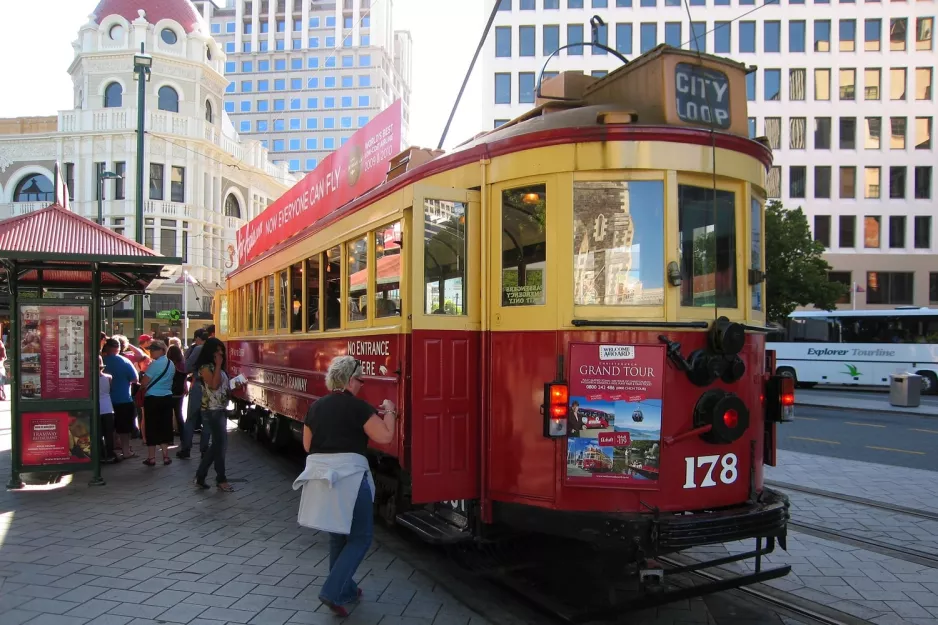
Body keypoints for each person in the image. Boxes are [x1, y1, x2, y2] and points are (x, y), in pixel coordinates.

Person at [296, 356, 397, 617]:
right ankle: (331, 590)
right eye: (361, 380)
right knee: (361, 538)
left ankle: (346, 588)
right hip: (351, 479)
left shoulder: (316, 407)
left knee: (337, 535)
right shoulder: (359, 408)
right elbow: (385, 436)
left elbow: (307, 446)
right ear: (351, 379)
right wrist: (390, 412)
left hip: (322, 480)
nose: (362, 385)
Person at [194, 337, 240, 491]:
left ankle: (201, 475)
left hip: (220, 408)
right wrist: (219, 365)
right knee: (220, 446)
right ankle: (220, 479)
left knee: (218, 445)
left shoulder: (216, 367)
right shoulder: (206, 367)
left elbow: (221, 387)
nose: (220, 353)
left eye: (222, 350)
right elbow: (213, 385)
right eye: (217, 350)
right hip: (212, 410)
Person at [140, 340, 175, 466]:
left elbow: (144, 383)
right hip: (167, 397)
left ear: (161, 350)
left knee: (152, 427)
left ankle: (151, 457)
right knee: (165, 426)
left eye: (153, 349)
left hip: (153, 398)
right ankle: (166, 456)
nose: (151, 351)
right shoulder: (171, 363)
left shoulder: (154, 365)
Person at [102, 338, 139, 459]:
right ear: (119, 348)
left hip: (107, 401)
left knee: (109, 428)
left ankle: (111, 450)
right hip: (123, 399)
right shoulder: (125, 361)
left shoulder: (101, 361)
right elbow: (135, 379)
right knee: (124, 429)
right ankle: (126, 451)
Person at [177, 329, 208, 459]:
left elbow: (186, 367)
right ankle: (205, 450)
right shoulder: (216, 348)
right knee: (207, 420)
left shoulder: (198, 349)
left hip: (198, 385)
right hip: (211, 386)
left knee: (191, 418)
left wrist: (188, 352)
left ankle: (186, 448)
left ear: (197, 338)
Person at [98, 355, 119, 463]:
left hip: (97, 409)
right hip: (108, 408)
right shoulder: (108, 377)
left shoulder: (89, 380)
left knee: (98, 433)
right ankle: (110, 453)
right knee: (109, 434)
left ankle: (101, 454)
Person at [167, 343, 187, 437]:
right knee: (179, 414)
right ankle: (183, 434)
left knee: (169, 415)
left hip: (169, 391)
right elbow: (185, 377)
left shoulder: (168, 365)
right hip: (180, 392)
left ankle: (169, 436)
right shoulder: (183, 365)